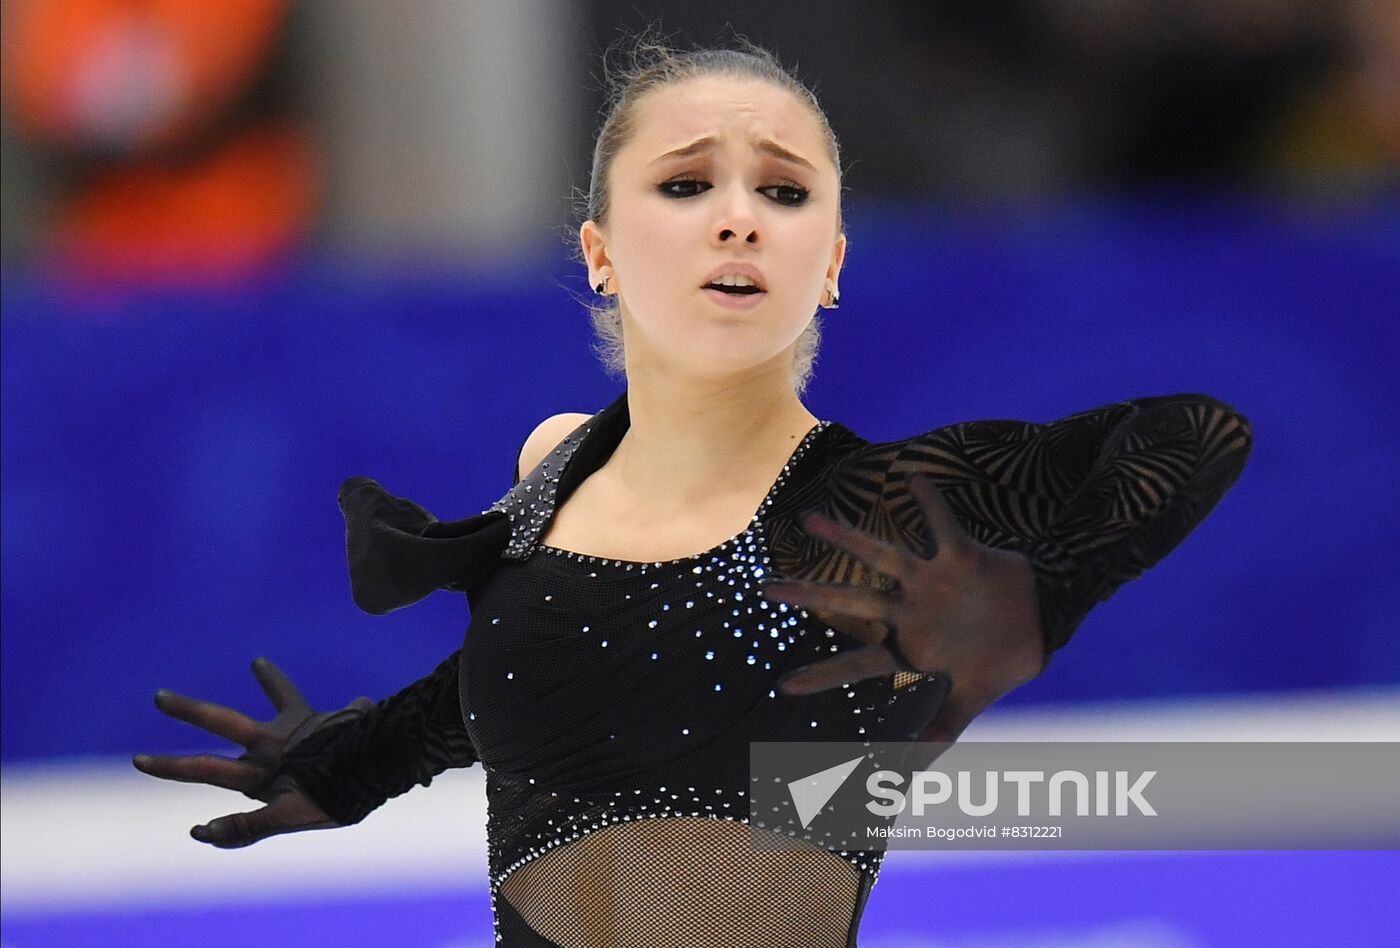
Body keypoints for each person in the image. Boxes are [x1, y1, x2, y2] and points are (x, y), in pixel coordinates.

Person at [133, 32, 1254, 948]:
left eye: (781, 188)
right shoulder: (558, 460)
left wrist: (1042, 592)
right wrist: (367, 757)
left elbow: (1193, 434)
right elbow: (596, 688)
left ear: (829, 262)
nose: (736, 216)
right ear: (599, 251)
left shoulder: (884, 508)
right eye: (684, 183)